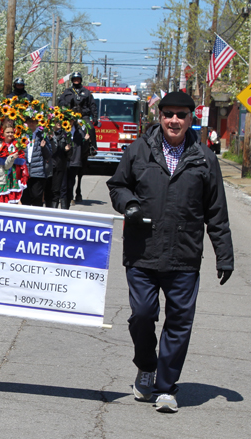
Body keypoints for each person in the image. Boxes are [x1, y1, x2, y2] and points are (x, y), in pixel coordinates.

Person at [106, 91, 234, 413]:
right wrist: (129, 204)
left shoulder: (205, 158)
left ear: (191, 119)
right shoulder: (138, 150)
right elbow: (117, 186)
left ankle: (166, 387)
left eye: (181, 115)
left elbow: (216, 211)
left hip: (184, 255)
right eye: (168, 114)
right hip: (142, 253)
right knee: (143, 315)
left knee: (179, 322)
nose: (174, 120)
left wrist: (224, 254)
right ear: (159, 117)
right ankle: (146, 367)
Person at [58, 72, 99, 202]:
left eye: (78, 79)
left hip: (83, 117)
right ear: (72, 80)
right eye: (74, 79)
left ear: (80, 80)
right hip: (70, 116)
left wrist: (95, 118)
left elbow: (92, 105)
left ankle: (92, 147)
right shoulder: (67, 92)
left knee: (90, 128)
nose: (76, 80)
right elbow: (60, 103)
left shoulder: (86, 92)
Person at [20, 117, 52, 206]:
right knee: (25, 197)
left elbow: (49, 155)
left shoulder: (42, 135)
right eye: (29, 122)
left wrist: (43, 147)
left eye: (33, 122)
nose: (31, 124)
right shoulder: (22, 135)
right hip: (24, 170)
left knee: (37, 196)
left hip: (38, 171)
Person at [45, 121, 71, 208]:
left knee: (56, 191)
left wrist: (67, 150)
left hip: (59, 166)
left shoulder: (65, 135)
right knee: (47, 191)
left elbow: (69, 155)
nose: (59, 123)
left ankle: (54, 212)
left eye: (61, 121)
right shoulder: (46, 133)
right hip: (48, 166)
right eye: (57, 120)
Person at [2, 120, 28, 204]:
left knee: (16, 198)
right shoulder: (0, 144)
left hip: (14, 174)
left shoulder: (16, 144)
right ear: (3, 133)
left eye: (11, 132)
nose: (10, 134)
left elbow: (22, 159)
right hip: (2, 173)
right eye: (7, 132)